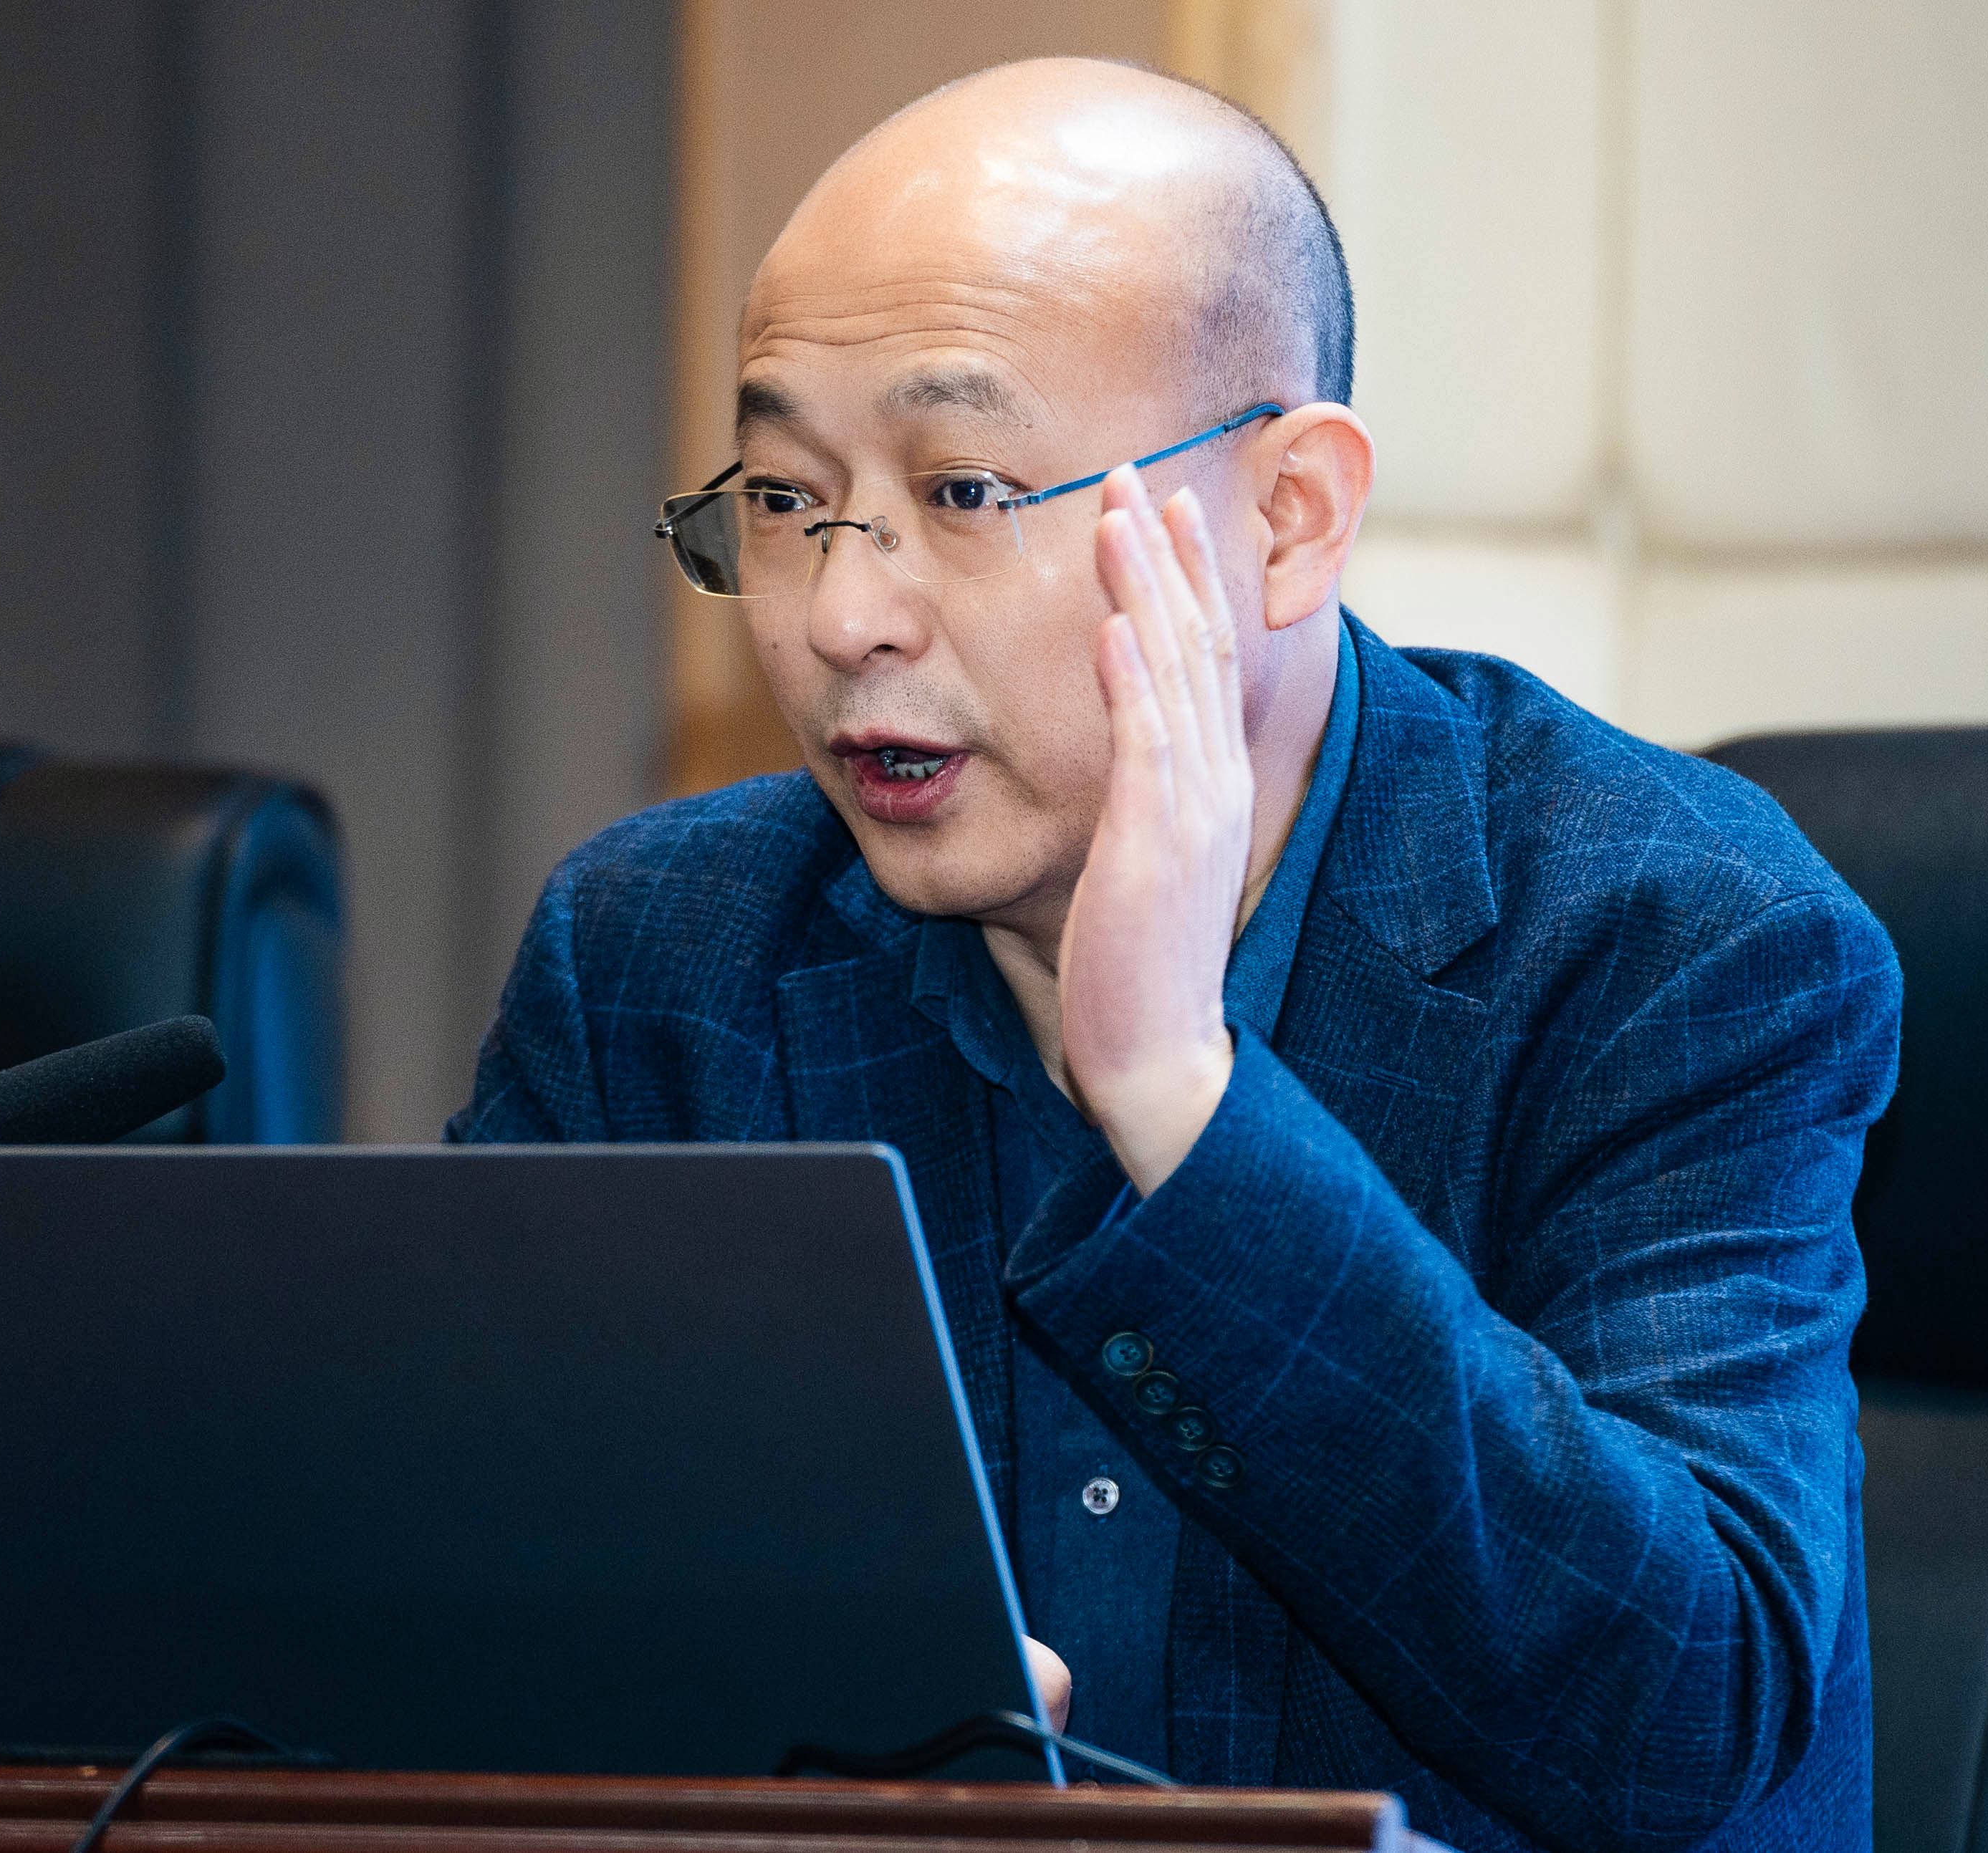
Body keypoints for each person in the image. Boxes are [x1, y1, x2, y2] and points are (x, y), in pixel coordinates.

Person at [452, 55, 1900, 1853]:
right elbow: (449, 1611)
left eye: (963, 491)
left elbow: (1680, 1720)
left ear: (1286, 519)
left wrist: (1182, 1104)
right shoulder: (659, 958)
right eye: (780, 497)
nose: (840, 615)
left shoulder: (1670, 940)